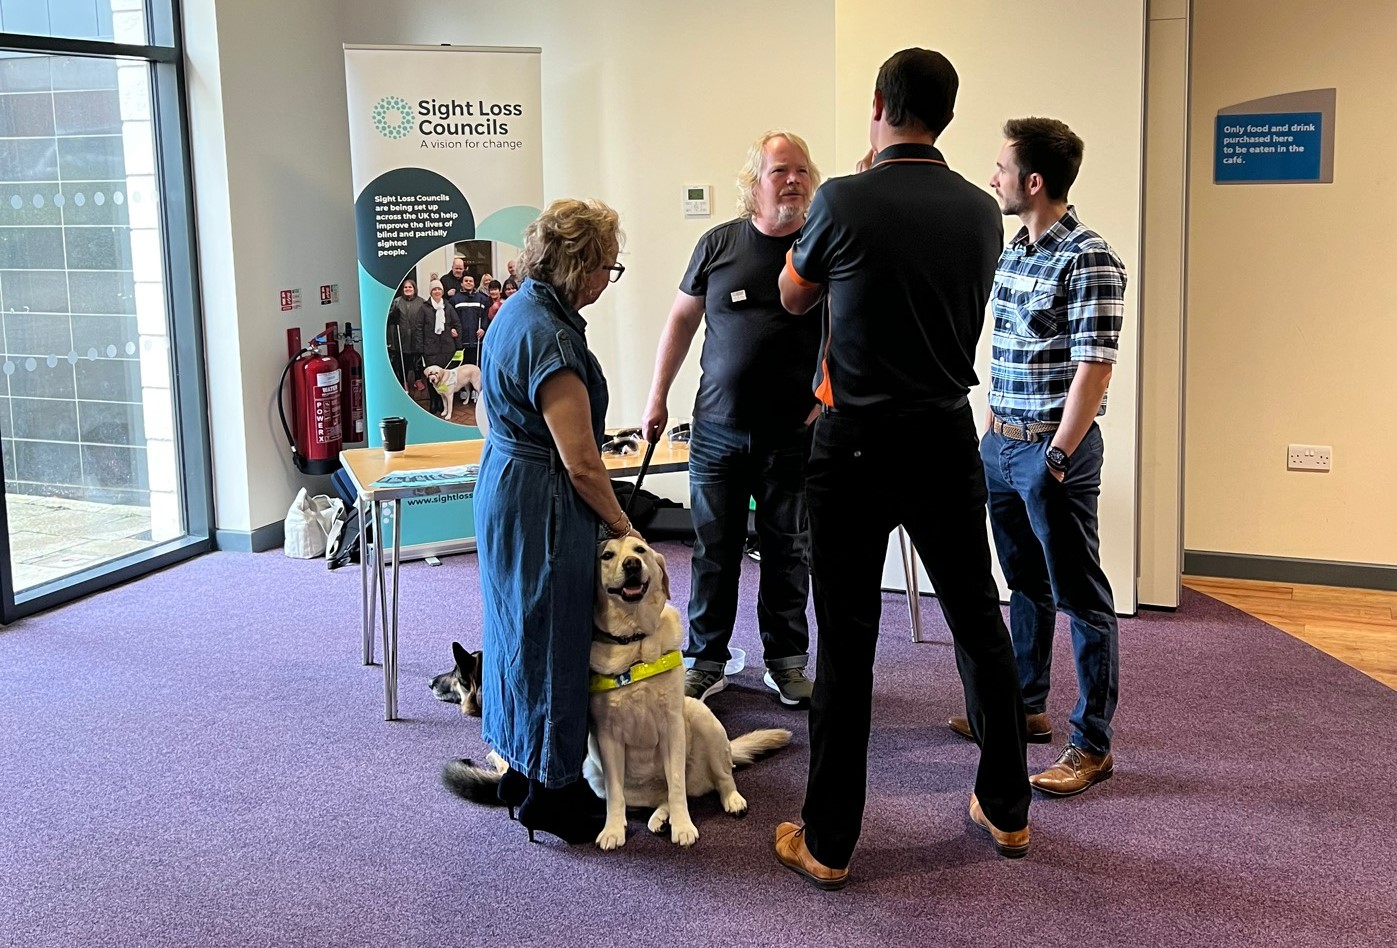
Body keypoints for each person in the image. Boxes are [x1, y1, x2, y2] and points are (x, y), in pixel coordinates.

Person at [771, 48, 1031, 890]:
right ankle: (1007, 808)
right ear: (945, 117)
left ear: (879, 103)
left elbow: (792, 294)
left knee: (848, 648)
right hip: (946, 436)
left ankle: (830, 843)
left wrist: (843, 207)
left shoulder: (844, 199)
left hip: (852, 445)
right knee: (978, 624)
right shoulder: (980, 210)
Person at [950, 117, 1126, 798]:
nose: (990, 177)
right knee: (1022, 582)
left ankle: (1092, 744)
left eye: (999, 167)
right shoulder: (1014, 250)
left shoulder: (1089, 257)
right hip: (1001, 444)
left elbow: (1093, 368)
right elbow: (1006, 349)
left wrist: (1056, 453)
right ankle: (1024, 705)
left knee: (1083, 597)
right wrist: (992, 429)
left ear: (1032, 180)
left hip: (1055, 453)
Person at [474, 197, 640, 845]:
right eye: (608, 267)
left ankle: (520, 771)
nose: (608, 278)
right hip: (543, 501)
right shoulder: (552, 337)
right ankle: (555, 792)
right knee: (552, 642)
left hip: (508, 481)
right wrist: (623, 526)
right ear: (579, 266)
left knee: (518, 633)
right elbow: (582, 465)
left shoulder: (518, 310)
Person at [641, 130, 822, 708]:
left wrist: (829, 396)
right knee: (713, 548)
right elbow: (680, 323)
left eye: (801, 170)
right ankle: (707, 658)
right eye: (780, 171)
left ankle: (787, 661)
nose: (793, 180)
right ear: (754, 184)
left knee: (788, 550)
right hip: (716, 430)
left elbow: (850, 328)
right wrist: (656, 397)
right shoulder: (718, 244)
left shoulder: (821, 247)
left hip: (793, 433)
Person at [417, 279, 461, 416]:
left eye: (439, 289)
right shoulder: (424, 308)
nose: (437, 292)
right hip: (430, 349)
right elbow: (418, 329)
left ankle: (443, 403)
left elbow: (457, 324)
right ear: (430, 292)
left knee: (443, 378)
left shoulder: (448, 307)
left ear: (442, 292)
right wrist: (420, 349)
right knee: (432, 377)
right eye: (434, 289)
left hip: (447, 348)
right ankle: (433, 402)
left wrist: (457, 341)